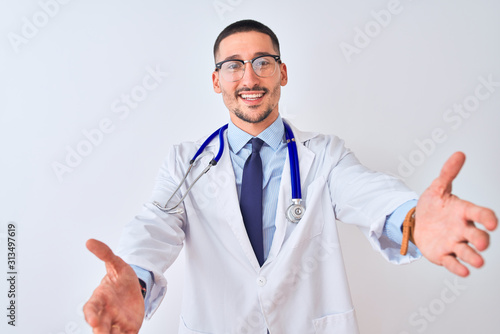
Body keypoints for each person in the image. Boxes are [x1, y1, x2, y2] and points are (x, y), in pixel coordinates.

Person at [83, 20, 497, 334]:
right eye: (233, 66)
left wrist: (413, 220)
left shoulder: (324, 155)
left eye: (263, 62)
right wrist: (133, 281)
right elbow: (156, 225)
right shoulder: (185, 162)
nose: (249, 77)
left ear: (283, 73)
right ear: (216, 80)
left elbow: (367, 193)